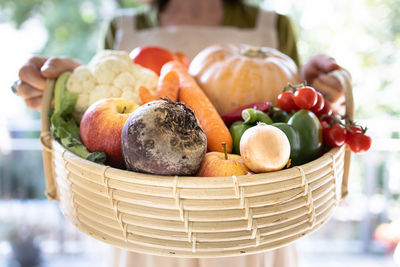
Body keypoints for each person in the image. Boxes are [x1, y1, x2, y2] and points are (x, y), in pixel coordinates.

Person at [13, 0, 348, 266]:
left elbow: (290, 117)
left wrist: (318, 87)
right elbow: (105, 123)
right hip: (146, 230)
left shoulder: (275, 25)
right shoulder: (123, 26)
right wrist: (65, 88)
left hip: (247, 231)